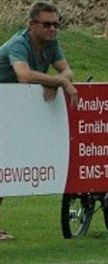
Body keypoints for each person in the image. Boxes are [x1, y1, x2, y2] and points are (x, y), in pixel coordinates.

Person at [0, 1, 78, 242]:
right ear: (31, 24)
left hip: (13, 113)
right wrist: (58, 82)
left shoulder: (51, 44)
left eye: (56, 24)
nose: (52, 29)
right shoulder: (19, 44)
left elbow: (68, 72)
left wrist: (53, 81)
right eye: (46, 24)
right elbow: (24, 75)